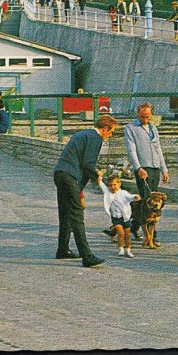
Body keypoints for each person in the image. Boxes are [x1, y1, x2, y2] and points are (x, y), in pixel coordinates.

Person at [53, 114, 119, 268]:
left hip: (60, 173)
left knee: (65, 213)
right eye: (111, 132)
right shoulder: (95, 138)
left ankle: (62, 249)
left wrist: (81, 188)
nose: (110, 136)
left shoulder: (83, 134)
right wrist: (97, 174)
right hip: (70, 177)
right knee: (77, 215)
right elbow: (88, 164)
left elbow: (81, 163)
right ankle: (87, 256)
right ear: (105, 129)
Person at [124, 102, 169, 242]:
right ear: (138, 113)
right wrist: (138, 168)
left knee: (154, 199)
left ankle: (133, 227)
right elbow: (131, 150)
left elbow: (158, 149)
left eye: (148, 117)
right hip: (143, 167)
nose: (145, 120)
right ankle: (151, 235)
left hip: (155, 166)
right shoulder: (131, 128)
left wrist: (164, 169)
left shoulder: (153, 128)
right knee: (147, 200)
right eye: (143, 117)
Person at [98, 175, 140, 258]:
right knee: (121, 233)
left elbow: (130, 197)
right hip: (116, 218)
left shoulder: (123, 193)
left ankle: (128, 250)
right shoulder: (108, 193)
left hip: (125, 218)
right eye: (110, 185)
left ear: (119, 184)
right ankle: (120, 249)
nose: (112, 187)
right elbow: (102, 185)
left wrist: (135, 197)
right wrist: (99, 179)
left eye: (114, 185)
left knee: (127, 235)